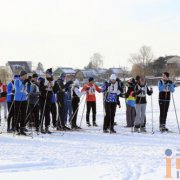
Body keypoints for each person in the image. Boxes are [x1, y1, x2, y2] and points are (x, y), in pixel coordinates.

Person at [39, 68, 54, 133]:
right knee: (42, 113)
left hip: (49, 98)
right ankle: (40, 127)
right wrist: (45, 86)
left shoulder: (52, 81)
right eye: (47, 73)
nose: (48, 75)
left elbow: (55, 89)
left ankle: (47, 127)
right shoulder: (42, 80)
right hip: (42, 98)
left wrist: (53, 86)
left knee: (47, 113)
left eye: (49, 74)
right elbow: (40, 89)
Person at [13, 70, 28, 135]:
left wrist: (27, 93)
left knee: (23, 114)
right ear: (22, 75)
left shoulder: (25, 82)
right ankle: (16, 129)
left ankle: (22, 128)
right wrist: (23, 84)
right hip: (17, 100)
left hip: (24, 100)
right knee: (17, 114)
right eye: (25, 75)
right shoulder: (17, 81)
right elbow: (17, 90)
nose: (26, 76)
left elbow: (25, 90)